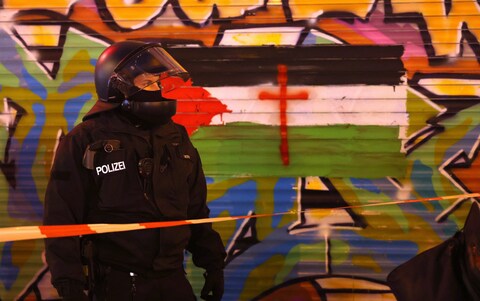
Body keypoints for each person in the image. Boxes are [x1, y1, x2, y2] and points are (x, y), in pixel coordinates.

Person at [43, 40, 226, 301]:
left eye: (158, 82)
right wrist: (69, 283)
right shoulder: (86, 140)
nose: (158, 88)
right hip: (117, 284)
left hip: (172, 280)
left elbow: (195, 210)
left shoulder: (175, 137)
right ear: (119, 86)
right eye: (148, 82)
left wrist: (213, 263)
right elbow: (61, 218)